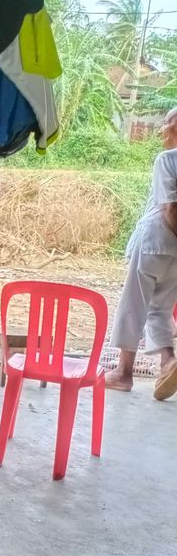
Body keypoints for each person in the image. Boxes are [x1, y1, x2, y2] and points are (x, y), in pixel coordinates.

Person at [105, 106, 177, 401]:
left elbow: (169, 208)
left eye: (166, 121)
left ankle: (123, 373)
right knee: (160, 307)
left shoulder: (167, 160)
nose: (161, 127)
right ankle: (168, 364)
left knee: (133, 305)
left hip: (156, 242)